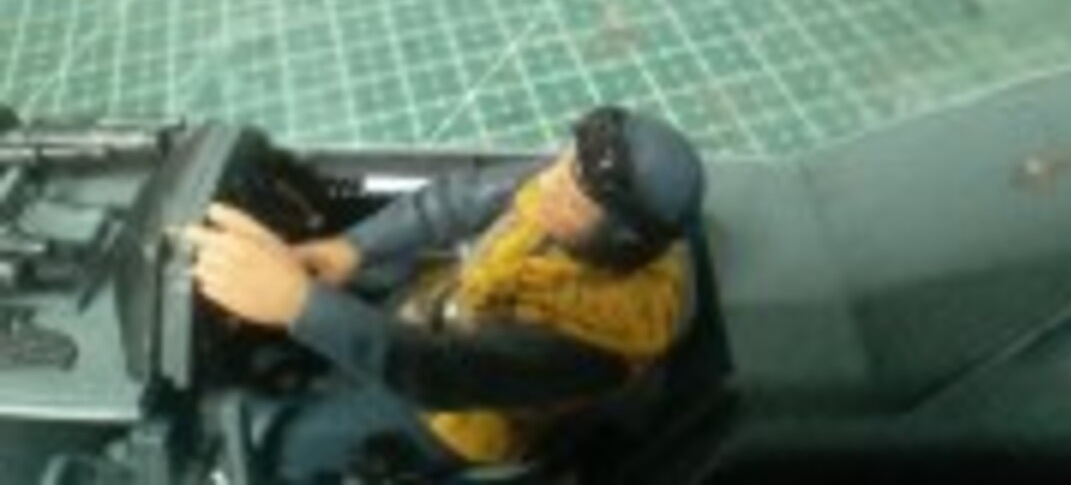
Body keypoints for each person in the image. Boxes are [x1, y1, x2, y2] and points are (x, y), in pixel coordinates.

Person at [182, 105, 706, 483]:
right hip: (439, 306)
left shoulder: (597, 339)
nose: (548, 183)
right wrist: (353, 249)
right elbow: (454, 203)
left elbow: (440, 373)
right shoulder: (572, 185)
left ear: (618, 237)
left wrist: (300, 306)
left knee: (280, 443)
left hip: (455, 413)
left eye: (574, 197)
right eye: (563, 165)